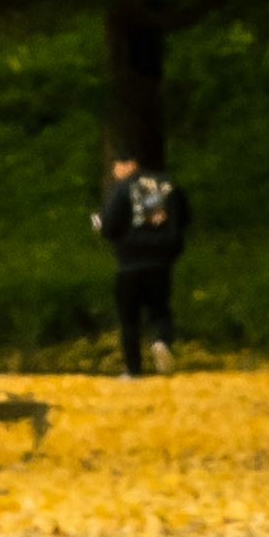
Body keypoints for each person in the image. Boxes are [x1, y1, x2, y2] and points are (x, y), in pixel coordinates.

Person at [94, 148, 188, 372]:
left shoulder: (122, 189)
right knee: (160, 310)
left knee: (129, 317)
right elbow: (185, 217)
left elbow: (108, 227)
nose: (115, 172)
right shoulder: (168, 185)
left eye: (115, 166)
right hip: (161, 260)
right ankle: (161, 342)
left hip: (130, 262)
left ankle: (133, 369)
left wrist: (98, 223)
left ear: (127, 164)